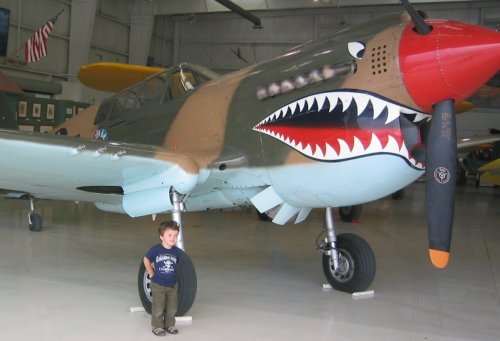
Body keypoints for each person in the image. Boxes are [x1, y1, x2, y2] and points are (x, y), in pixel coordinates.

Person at [143, 220, 181, 336]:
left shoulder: (177, 252)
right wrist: (151, 271)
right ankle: (157, 326)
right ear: (161, 236)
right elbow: (146, 259)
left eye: (175, 235)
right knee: (158, 307)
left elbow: (177, 264)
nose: (173, 238)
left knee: (172, 307)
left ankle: (169, 324)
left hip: (172, 285)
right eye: (170, 235)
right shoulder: (156, 249)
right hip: (158, 284)